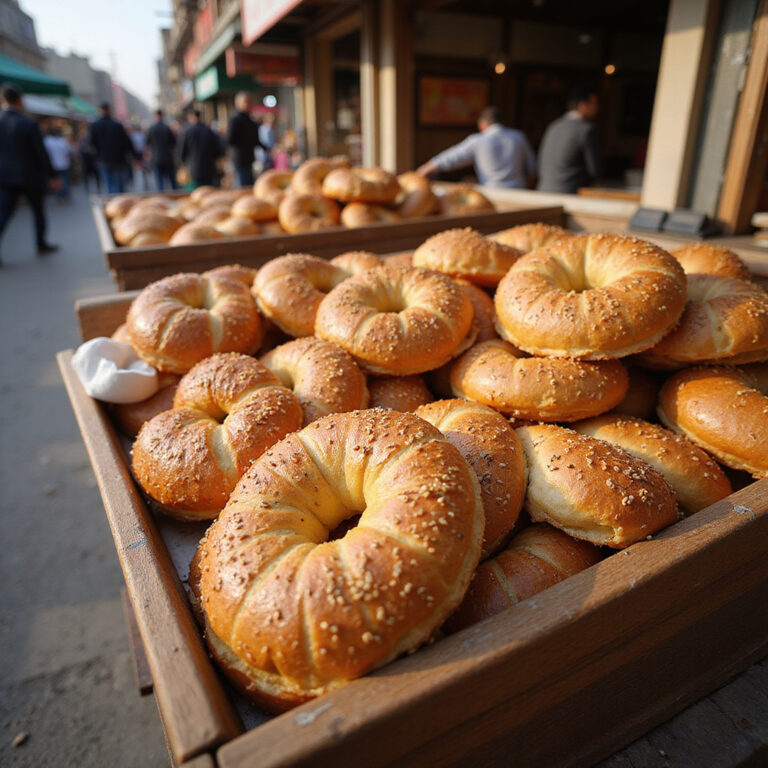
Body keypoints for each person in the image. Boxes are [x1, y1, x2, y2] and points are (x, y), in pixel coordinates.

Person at [0, 83, 59, 263]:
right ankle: (41, 244)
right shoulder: (28, 123)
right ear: (20, 100)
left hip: (6, 177)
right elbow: (40, 152)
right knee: (38, 211)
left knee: (4, 213)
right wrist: (52, 175)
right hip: (30, 176)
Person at [416, 106, 536, 189]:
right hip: (519, 190)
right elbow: (532, 170)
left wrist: (425, 169)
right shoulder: (519, 137)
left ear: (482, 124)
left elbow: (453, 157)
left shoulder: (478, 140)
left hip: (493, 193)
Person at [537, 88, 601, 194]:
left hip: (544, 189)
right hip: (569, 193)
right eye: (594, 104)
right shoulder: (586, 129)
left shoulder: (553, 126)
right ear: (582, 105)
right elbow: (595, 170)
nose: (597, 108)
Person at [89, 102, 136, 194]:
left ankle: (114, 200)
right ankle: (120, 200)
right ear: (109, 110)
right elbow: (127, 143)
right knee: (120, 186)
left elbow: (92, 144)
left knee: (110, 186)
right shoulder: (117, 125)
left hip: (104, 161)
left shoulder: (95, 126)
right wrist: (135, 156)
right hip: (119, 160)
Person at [226, 91, 264, 187]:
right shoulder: (235, 120)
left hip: (249, 159)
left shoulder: (252, 121)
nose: (248, 104)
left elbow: (256, 141)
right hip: (239, 159)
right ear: (238, 103)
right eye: (246, 101)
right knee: (242, 186)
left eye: (250, 102)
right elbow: (230, 139)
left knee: (249, 185)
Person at [178, 109, 223, 188]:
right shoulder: (209, 131)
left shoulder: (188, 132)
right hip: (209, 167)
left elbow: (182, 151)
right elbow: (218, 150)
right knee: (209, 189)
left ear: (193, 117)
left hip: (194, 168)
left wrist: (183, 163)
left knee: (197, 190)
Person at [146, 109, 177, 191]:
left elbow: (147, 143)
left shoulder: (152, 129)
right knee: (172, 181)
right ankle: (175, 194)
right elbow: (173, 143)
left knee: (160, 182)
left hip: (156, 158)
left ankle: (162, 195)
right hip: (167, 157)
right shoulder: (167, 128)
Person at [43, 124, 72, 201]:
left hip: (54, 165)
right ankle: (63, 195)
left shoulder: (47, 141)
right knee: (64, 180)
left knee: (58, 181)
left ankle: (61, 195)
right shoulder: (62, 141)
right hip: (63, 164)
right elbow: (68, 152)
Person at [78, 122, 100, 193]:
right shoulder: (83, 136)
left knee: (94, 173)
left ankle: (97, 187)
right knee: (88, 174)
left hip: (91, 158)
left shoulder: (91, 135)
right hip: (87, 158)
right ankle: (88, 188)